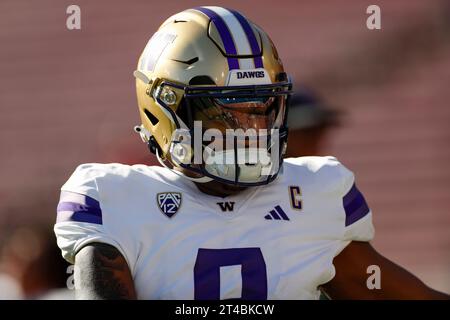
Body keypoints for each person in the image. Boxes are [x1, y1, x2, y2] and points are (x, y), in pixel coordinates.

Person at [54, 7, 448, 300]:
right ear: (166, 109)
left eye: (261, 108)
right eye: (227, 112)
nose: (253, 130)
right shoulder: (111, 197)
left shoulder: (314, 194)